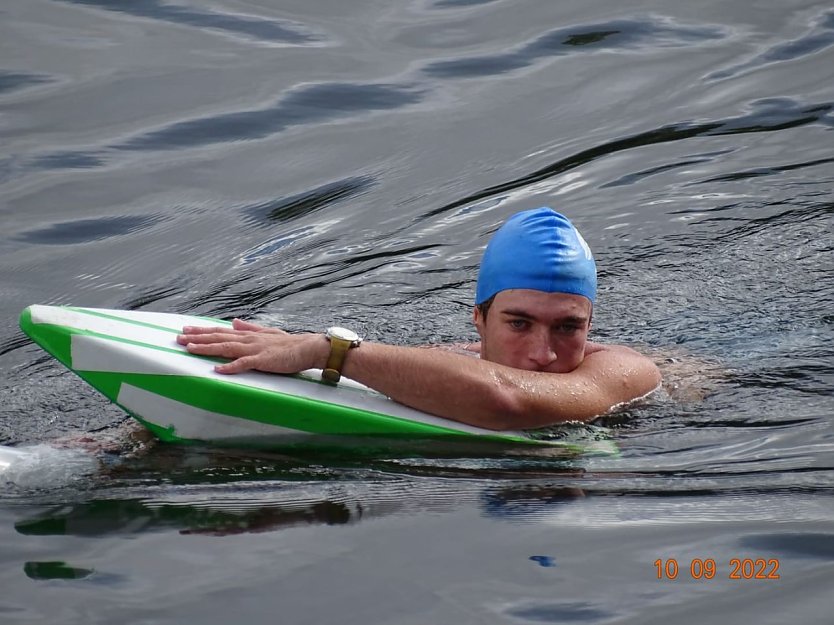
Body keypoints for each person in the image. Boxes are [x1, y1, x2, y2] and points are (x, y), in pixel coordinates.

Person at [177, 207, 661, 430]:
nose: (542, 353)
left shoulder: (629, 372)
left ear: (591, 326)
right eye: (518, 323)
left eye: (567, 327)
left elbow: (508, 399)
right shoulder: (443, 361)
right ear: (478, 319)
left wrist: (332, 350)